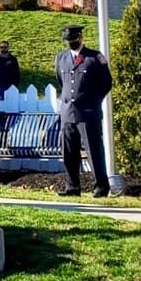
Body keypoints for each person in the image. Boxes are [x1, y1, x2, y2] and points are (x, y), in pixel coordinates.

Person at [54, 24, 112, 198]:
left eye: (73, 39)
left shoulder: (94, 58)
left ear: (80, 37)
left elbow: (106, 84)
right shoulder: (61, 58)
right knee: (69, 152)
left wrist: (92, 101)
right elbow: (61, 81)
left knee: (93, 151)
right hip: (67, 113)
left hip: (87, 113)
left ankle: (101, 187)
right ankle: (72, 186)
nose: (71, 43)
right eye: (68, 41)